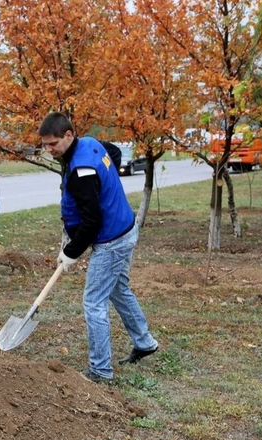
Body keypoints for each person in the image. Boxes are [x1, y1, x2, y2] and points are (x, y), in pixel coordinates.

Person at [39, 112, 158, 383]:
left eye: (53, 143)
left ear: (69, 136)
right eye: (45, 145)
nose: (49, 150)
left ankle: (101, 371)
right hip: (125, 229)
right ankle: (145, 342)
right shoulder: (90, 143)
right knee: (119, 289)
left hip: (112, 241)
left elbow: (93, 222)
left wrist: (71, 252)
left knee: (94, 302)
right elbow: (113, 153)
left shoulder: (82, 171)